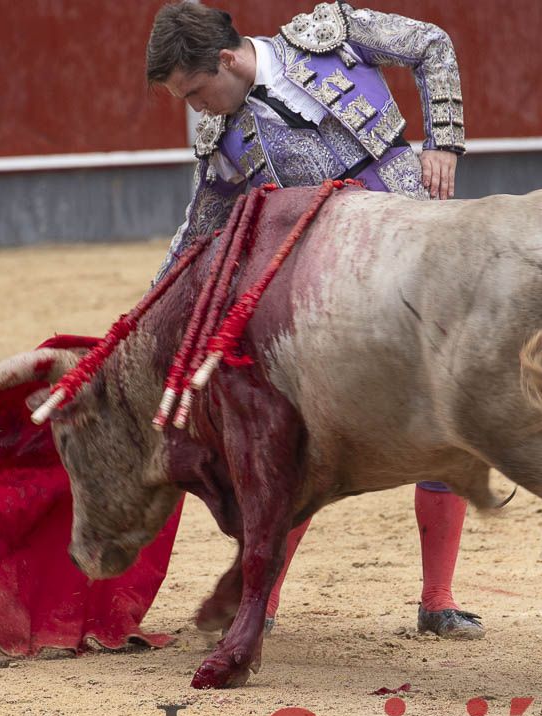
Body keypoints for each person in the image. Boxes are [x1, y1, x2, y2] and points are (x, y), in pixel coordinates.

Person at [146, 1, 483, 639]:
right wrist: (146, 316)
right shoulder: (224, 141)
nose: (196, 109)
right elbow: (199, 235)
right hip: (334, 306)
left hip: (419, 262)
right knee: (298, 442)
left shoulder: (330, 36)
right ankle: (263, 604)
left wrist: (444, 142)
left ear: (225, 59)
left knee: (447, 419)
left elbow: (433, 45)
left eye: (195, 92)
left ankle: (438, 600)